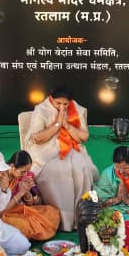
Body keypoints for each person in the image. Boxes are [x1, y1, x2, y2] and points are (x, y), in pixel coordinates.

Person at [25, 85, 99, 230]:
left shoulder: (76, 109)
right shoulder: (42, 109)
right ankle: (62, 220)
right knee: (56, 171)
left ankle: (81, 216)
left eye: (65, 104)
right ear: (51, 99)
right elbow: (37, 138)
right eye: (58, 103)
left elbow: (83, 137)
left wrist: (67, 125)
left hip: (72, 147)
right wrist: (58, 124)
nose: (62, 107)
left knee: (81, 168)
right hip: (46, 150)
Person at [0, 150, 61, 241]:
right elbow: (1, 210)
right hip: (4, 213)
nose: (25, 174)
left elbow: (30, 204)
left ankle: (28, 235)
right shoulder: (1, 177)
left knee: (52, 212)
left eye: (27, 171)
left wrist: (27, 191)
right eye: (23, 172)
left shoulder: (22, 176)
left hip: (19, 208)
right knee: (21, 225)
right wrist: (20, 193)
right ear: (12, 167)